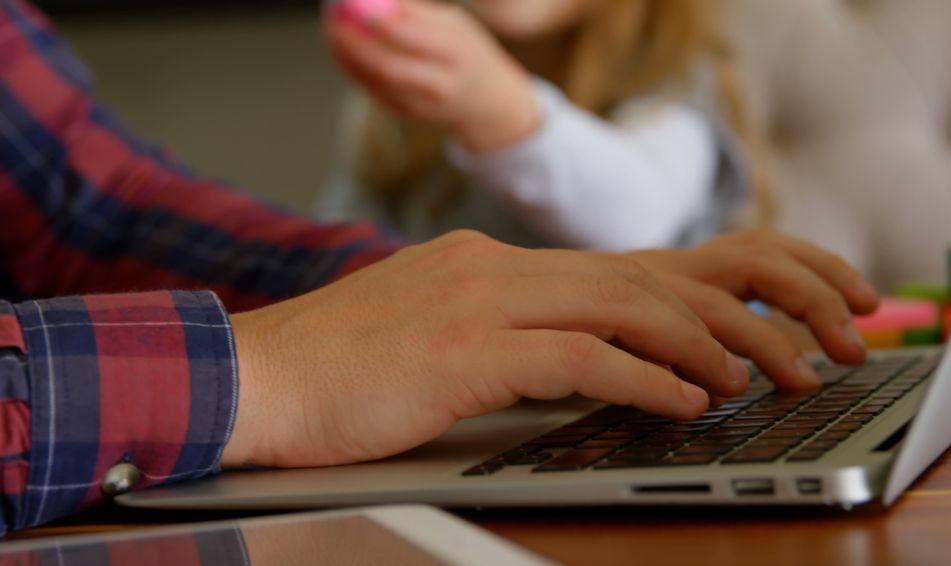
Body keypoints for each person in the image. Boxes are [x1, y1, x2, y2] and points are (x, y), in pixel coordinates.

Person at [0, 0, 876, 536]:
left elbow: (89, 203)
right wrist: (264, 375)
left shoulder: (671, 86)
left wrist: (471, 304)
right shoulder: (393, 121)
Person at [319, 0, 765, 250]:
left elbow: (637, 220)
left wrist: (499, 107)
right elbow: (344, 238)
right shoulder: (401, 101)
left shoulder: (671, 76)